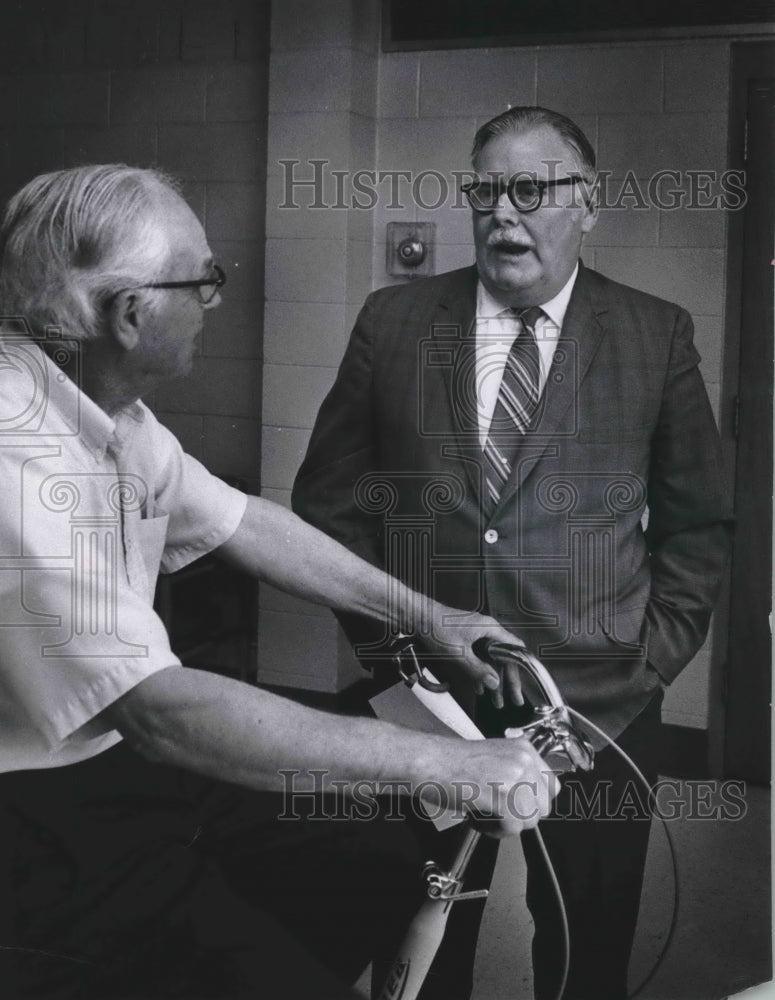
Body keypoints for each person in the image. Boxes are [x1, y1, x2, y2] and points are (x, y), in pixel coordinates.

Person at [0, 164, 558, 1000]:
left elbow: (244, 523)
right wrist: (439, 761)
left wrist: (433, 616)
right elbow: (160, 712)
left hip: (116, 760)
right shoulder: (18, 454)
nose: (214, 300)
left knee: (371, 850)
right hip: (38, 812)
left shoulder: (109, 412)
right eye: (204, 281)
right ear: (129, 313)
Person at [292, 106, 734, 1000]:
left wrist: (646, 665)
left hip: (599, 707)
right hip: (424, 699)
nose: (503, 213)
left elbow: (697, 523)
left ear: (588, 202)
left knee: (583, 938)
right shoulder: (395, 322)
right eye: (484, 190)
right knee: (420, 925)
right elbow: (327, 505)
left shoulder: (655, 335)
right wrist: (393, 659)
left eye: (529, 190)